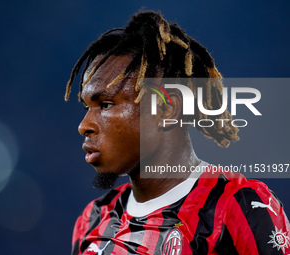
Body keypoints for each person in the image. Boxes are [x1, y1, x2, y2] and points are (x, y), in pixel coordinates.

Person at [65, 10, 290, 255]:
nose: (84, 125)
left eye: (106, 105)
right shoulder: (93, 219)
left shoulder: (239, 206)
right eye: (87, 107)